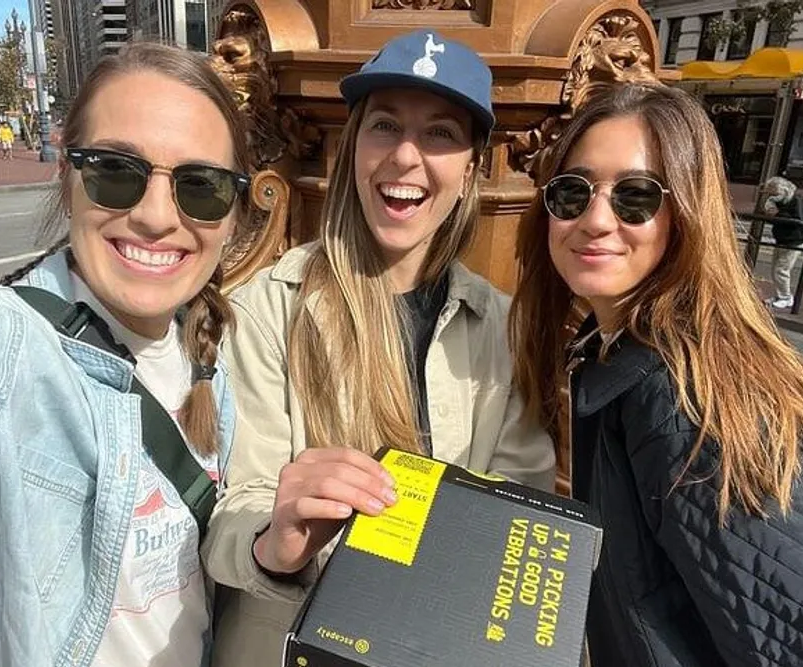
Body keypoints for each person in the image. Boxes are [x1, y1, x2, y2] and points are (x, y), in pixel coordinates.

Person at [0, 42, 253, 667]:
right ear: (67, 175)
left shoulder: (208, 346)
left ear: (233, 213)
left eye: (200, 186)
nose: (157, 216)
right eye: (114, 170)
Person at [203, 29, 556, 667]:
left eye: (441, 134)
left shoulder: (506, 330)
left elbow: (516, 513)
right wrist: (273, 541)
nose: (405, 157)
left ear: (472, 165)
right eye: (385, 126)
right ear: (353, 147)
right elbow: (236, 506)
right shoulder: (267, 308)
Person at [509, 81, 803, 667]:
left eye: (636, 197)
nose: (596, 220)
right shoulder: (612, 348)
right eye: (573, 192)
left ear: (686, 214)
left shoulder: (685, 398)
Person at [761, 176, 803, 310]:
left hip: (794, 241)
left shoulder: (796, 201)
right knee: (775, 269)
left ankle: (786, 297)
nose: (771, 196)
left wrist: (777, 215)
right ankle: (780, 295)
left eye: (773, 193)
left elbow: (797, 221)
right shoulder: (780, 201)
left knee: (781, 269)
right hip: (782, 238)